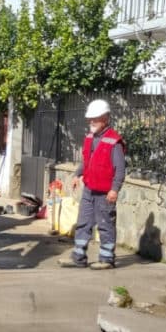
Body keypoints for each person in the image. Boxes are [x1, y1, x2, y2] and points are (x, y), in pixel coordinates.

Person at [58, 99, 126, 270]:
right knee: (83, 222)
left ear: (105, 118)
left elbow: (120, 170)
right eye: (90, 119)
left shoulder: (114, 141)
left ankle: (106, 259)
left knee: (105, 225)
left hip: (105, 193)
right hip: (89, 189)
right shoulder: (89, 138)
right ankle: (78, 257)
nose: (91, 122)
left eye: (95, 119)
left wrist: (114, 190)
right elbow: (86, 161)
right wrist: (77, 175)